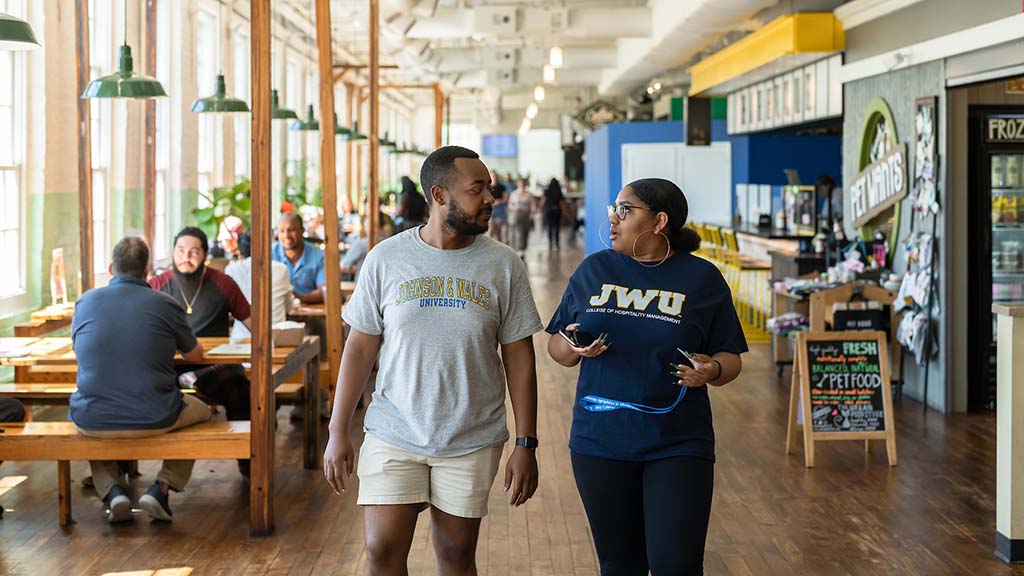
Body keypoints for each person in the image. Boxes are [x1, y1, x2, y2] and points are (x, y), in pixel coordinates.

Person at [323, 145, 543, 575]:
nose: (489, 199)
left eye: (489, 190)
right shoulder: (385, 259)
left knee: (456, 555)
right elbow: (360, 349)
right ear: (439, 195)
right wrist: (337, 430)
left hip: (471, 435)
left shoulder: (503, 265)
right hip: (394, 429)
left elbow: (520, 359)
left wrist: (526, 442)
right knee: (382, 550)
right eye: (476, 189)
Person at [546, 178, 747, 575]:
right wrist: (572, 348)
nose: (613, 220)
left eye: (625, 210)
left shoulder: (702, 279)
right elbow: (556, 345)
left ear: (659, 222)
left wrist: (713, 369)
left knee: (677, 565)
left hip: (677, 442)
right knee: (620, 565)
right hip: (599, 441)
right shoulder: (594, 269)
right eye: (613, 210)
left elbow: (731, 357)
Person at [70, 237, 210, 523]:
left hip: (93, 417)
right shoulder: (166, 304)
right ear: (148, 270)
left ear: (111, 267)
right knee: (204, 411)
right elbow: (195, 354)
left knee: (93, 414)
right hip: (155, 413)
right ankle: (162, 487)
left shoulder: (85, 303)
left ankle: (113, 491)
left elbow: (79, 349)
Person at [150, 227, 253, 477]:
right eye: (181, 251)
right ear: (173, 253)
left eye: (194, 251)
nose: (187, 257)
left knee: (239, 385)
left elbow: (253, 322)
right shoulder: (156, 285)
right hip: (166, 366)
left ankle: (250, 464)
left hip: (212, 365)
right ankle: (120, 463)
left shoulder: (223, 283)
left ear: (206, 254)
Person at [225, 231, 293, 339]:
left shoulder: (231, 269)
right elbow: (289, 306)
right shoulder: (280, 268)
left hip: (240, 337)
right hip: (276, 337)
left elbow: (229, 310)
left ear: (240, 252)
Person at [273, 212, 327, 304]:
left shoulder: (318, 255)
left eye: (291, 230)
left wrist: (297, 298)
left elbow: (324, 292)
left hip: (311, 313)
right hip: (279, 312)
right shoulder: (270, 254)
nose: (286, 236)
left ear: (302, 230)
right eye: (282, 231)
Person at [507, 177, 533, 259]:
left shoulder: (529, 194)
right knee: (518, 232)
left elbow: (533, 206)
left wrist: (531, 214)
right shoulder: (513, 194)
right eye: (520, 183)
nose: (521, 184)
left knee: (525, 232)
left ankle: (523, 248)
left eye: (522, 183)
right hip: (516, 215)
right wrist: (515, 208)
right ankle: (519, 249)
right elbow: (510, 205)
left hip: (526, 216)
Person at [542, 178, 564, 251]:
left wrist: (540, 209)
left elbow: (544, 200)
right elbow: (561, 202)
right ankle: (557, 244)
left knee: (550, 228)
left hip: (549, 211)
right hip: (557, 211)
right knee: (557, 228)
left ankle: (550, 244)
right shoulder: (558, 190)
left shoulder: (547, 190)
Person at [488, 169, 508, 243]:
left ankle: (499, 247)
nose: (494, 177)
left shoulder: (502, 187)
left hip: (500, 210)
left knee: (499, 231)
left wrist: (499, 201)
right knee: (491, 230)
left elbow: (506, 199)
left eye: (495, 176)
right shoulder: (488, 187)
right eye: (493, 176)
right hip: (490, 210)